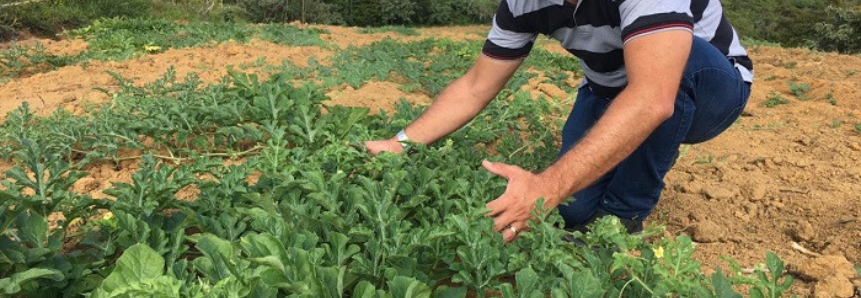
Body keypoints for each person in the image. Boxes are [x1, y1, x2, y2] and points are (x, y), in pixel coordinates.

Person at [365, 0, 752, 243]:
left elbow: (652, 97)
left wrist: (547, 185)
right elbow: (475, 85)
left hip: (712, 87)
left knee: (668, 75)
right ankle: (595, 212)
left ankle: (622, 218)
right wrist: (402, 141)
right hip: (610, 88)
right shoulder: (522, 4)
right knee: (572, 211)